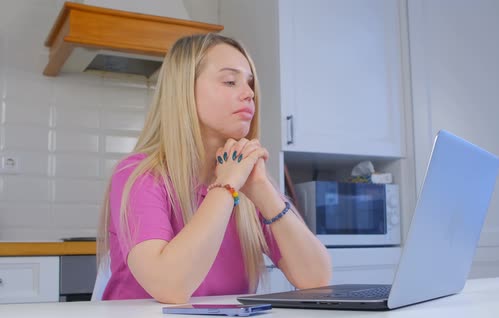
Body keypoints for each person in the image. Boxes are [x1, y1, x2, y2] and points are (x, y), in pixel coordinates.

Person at [97, 34, 332, 303]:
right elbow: (169, 286)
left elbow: (316, 279)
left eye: (250, 84)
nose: (249, 94)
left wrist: (261, 189)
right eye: (230, 81)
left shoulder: (246, 182)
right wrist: (227, 186)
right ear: (184, 90)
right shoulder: (139, 174)